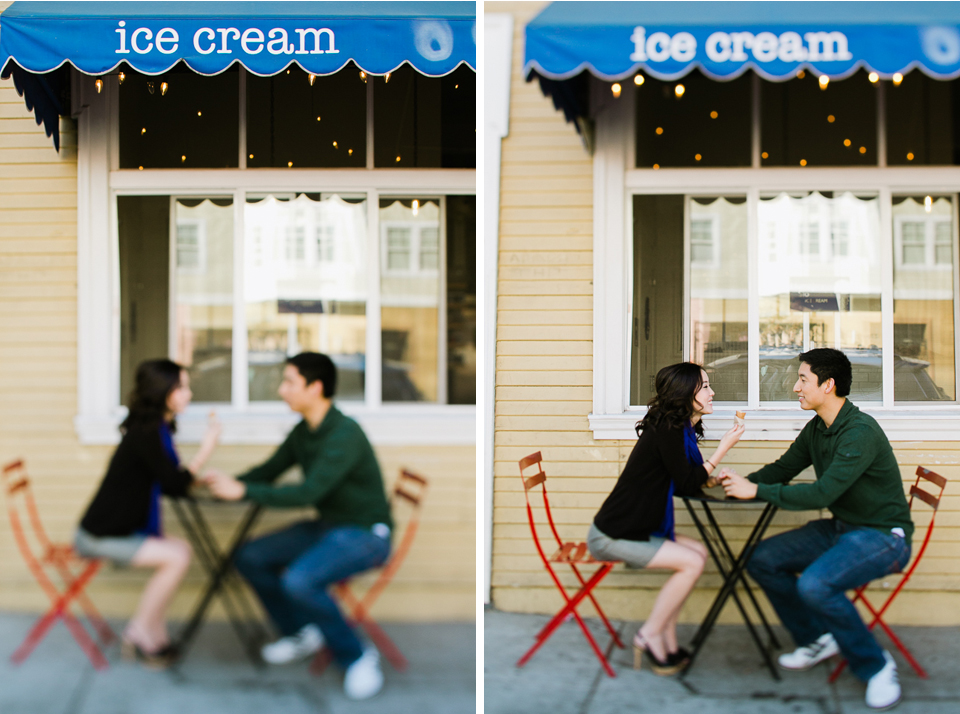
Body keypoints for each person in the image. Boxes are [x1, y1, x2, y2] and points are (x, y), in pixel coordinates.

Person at [720, 348, 912, 710]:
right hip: (843, 528)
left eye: (803, 379)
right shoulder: (818, 429)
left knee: (815, 584)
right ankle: (819, 638)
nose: (795, 387)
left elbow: (823, 493)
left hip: (883, 537)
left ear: (829, 385)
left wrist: (757, 492)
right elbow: (783, 468)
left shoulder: (859, 432)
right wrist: (738, 483)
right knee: (762, 558)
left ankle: (876, 667)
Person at [204, 352, 392, 700]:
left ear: (315, 387)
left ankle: (357, 657)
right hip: (329, 526)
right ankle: (301, 632)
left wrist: (242, 491)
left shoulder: (344, 434)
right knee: (249, 555)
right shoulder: (305, 431)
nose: (281, 390)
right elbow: (269, 470)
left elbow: (309, 492)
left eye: (290, 382)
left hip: (365, 534)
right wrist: (223, 485)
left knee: (300, 580)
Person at [587, 362, 744, 674]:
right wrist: (723, 448)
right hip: (614, 534)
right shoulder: (666, 429)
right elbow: (686, 483)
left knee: (698, 552)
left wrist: (713, 478)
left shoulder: (680, 429)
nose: (713, 393)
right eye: (705, 387)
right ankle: (648, 635)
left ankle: (666, 641)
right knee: (692, 562)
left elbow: (688, 477)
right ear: (686, 393)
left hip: (643, 527)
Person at [74, 359, 220, 666]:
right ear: (161, 390)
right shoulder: (147, 432)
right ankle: (139, 633)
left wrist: (190, 477)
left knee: (181, 549)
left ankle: (154, 634)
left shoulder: (157, 428)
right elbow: (174, 485)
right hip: (98, 536)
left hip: (121, 530)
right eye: (181, 387)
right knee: (177, 557)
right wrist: (206, 450)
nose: (188, 394)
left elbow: (170, 481)